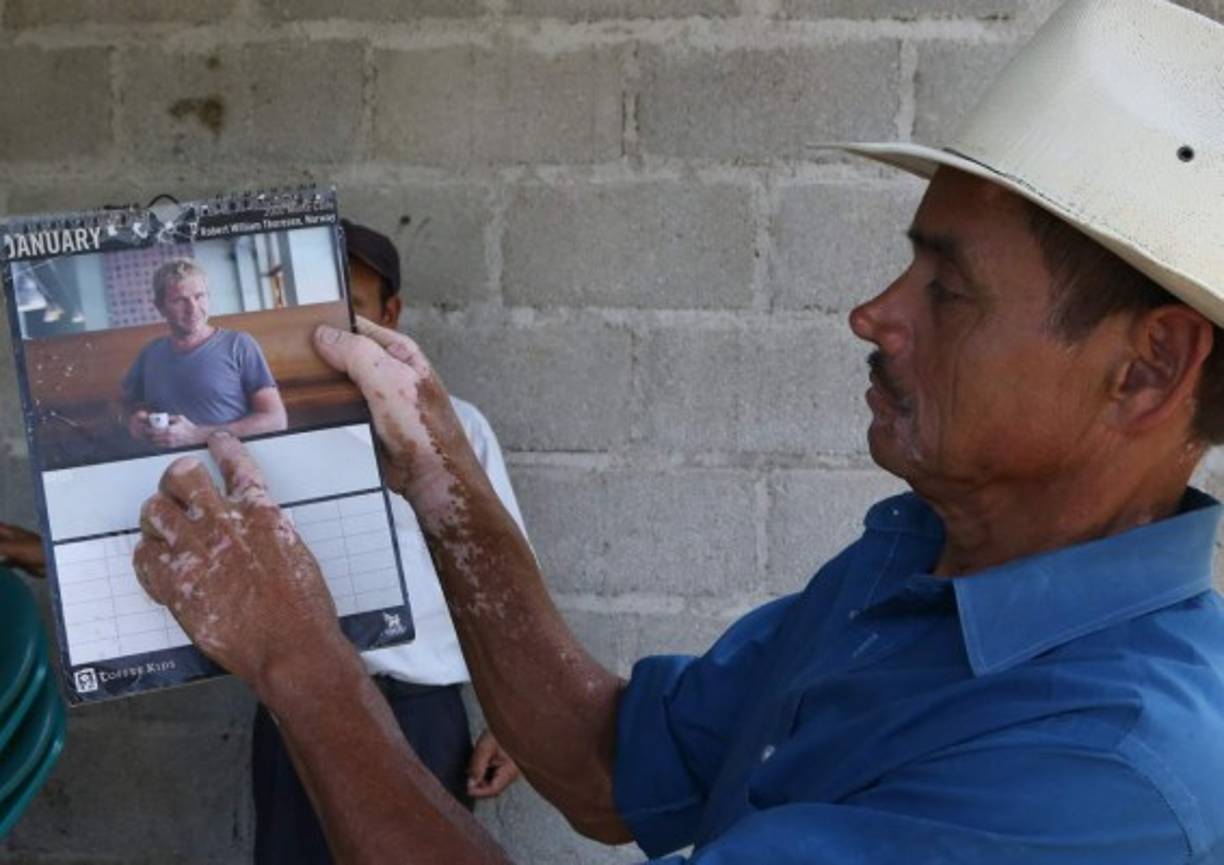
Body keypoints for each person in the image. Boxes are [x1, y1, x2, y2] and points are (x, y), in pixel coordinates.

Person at [132, 1, 1224, 862]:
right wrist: (437, 466)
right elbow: (608, 763)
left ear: (1149, 368)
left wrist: (301, 660)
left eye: (950, 289)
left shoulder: (1109, 770)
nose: (873, 313)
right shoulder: (911, 569)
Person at [250, 220, 521, 865]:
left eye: (349, 309)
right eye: (307, 308)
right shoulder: (256, 437)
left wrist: (513, 725)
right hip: (299, 716)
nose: (327, 335)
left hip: (421, 716)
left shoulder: (453, 430)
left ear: (389, 314)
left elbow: (504, 588)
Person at [122, 258, 287, 449]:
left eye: (199, 296)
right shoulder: (150, 354)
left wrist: (199, 435)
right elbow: (126, 404)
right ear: (160, 307)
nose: (193, 308)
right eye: (179, 300)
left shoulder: (239, 345)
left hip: (228, 460)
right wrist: (135, 419)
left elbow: (276, 420)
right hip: (168, 467)